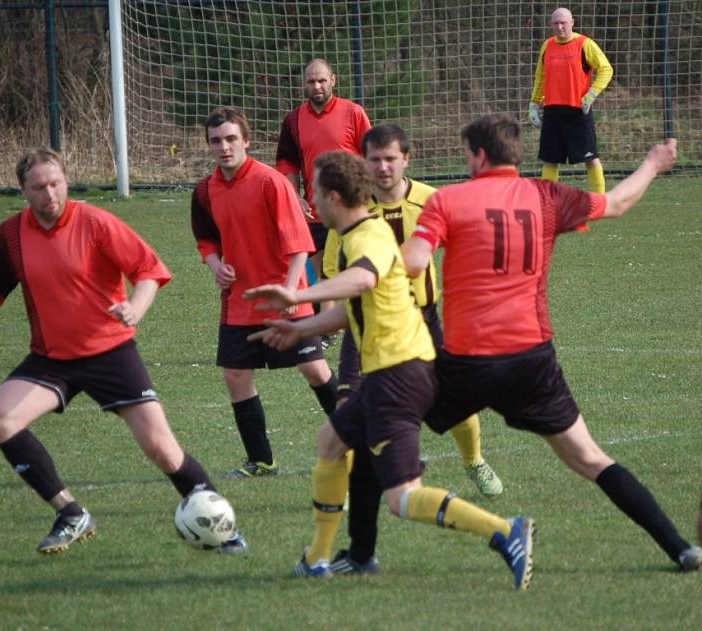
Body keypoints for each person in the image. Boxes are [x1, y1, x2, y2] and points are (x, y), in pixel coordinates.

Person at [0, 147, 246, 555]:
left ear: (66, 181)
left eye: (56, 183)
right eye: (39, 187)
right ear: (23, 192)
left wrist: (134, 308)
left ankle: (224, 530)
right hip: (51, 359)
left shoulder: (95, 222)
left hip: (110, 353)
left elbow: (148, 271)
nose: (50, 194)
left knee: (162, 450)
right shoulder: (10, 237)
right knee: (2, 419)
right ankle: (70, 513)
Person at [401, 114, 702, 572]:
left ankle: (356, 551)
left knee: (376, 424)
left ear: (480, 155)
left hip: (467, 362)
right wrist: (652, 164)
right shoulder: (547, 195)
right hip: (530, 360)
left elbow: (414, 262)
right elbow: (617, 202)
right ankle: (679, 548)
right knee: (590, 459)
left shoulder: (448, 200)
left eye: (466, 154)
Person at [245, 151, 535, 590]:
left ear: (334, 197)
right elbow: (354, 307)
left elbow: (363, 281)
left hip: (398, 375)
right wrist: (298, 327)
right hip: (392, 371)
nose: (313, 203)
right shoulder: (361, 231)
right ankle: (319, 558)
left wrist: (296, 295)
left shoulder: (366, 239)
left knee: (402, 498)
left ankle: (504, 531)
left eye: (316, 193)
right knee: (331, 442)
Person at [320, 124, 504, 575]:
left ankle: (473, 460)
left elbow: (466, 247)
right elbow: (333, 272)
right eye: (374, 160)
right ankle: (345, 520)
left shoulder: (431, 199)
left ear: (407, 159)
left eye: (390, 159)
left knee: (455, 404)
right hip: (364, 323)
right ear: (363, 162)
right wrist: (322, 317)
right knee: (346, 416)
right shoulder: (347, 210)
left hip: (422, 320)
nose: (382, 168)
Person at [191, 106, 338, 479]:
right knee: (236, 376)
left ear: (246, 141)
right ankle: (261, 460)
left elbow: (300, 245)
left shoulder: (270, 182)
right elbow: (206, 239)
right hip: (240, 302)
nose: (224, 147)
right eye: (216, 141)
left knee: (315, 369)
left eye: (231, 139)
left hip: (286, 295)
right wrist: (215, 266)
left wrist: (290, 292)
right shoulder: (205, 192)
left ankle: (361, 438)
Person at [276, 58, 372, 339]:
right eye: (311, 82)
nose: (316, 86)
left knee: (357, 264)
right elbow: (286, 164)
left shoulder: (354, 113)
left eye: (321, 80)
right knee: (319, 267)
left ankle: (362, 318)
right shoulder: (293, 120)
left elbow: (369, 156)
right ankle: (329, 328)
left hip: (353, 207)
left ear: (333, 80)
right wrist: (295, 197)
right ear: (304, 84)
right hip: (316, 208)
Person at [528, 7, 613, 193]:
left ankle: (599, 199)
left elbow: (606, 69)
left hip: (578, 110)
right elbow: (540, 77)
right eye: (556, 23)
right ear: (551, 25)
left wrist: (591, 95)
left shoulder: (585, 44)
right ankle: (548, 200)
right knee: (550, 159)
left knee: (591, 157)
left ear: (572, 22)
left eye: (563, 23)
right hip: (552, 110)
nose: (560, 27)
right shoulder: (547, 45)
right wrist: (534, 103)